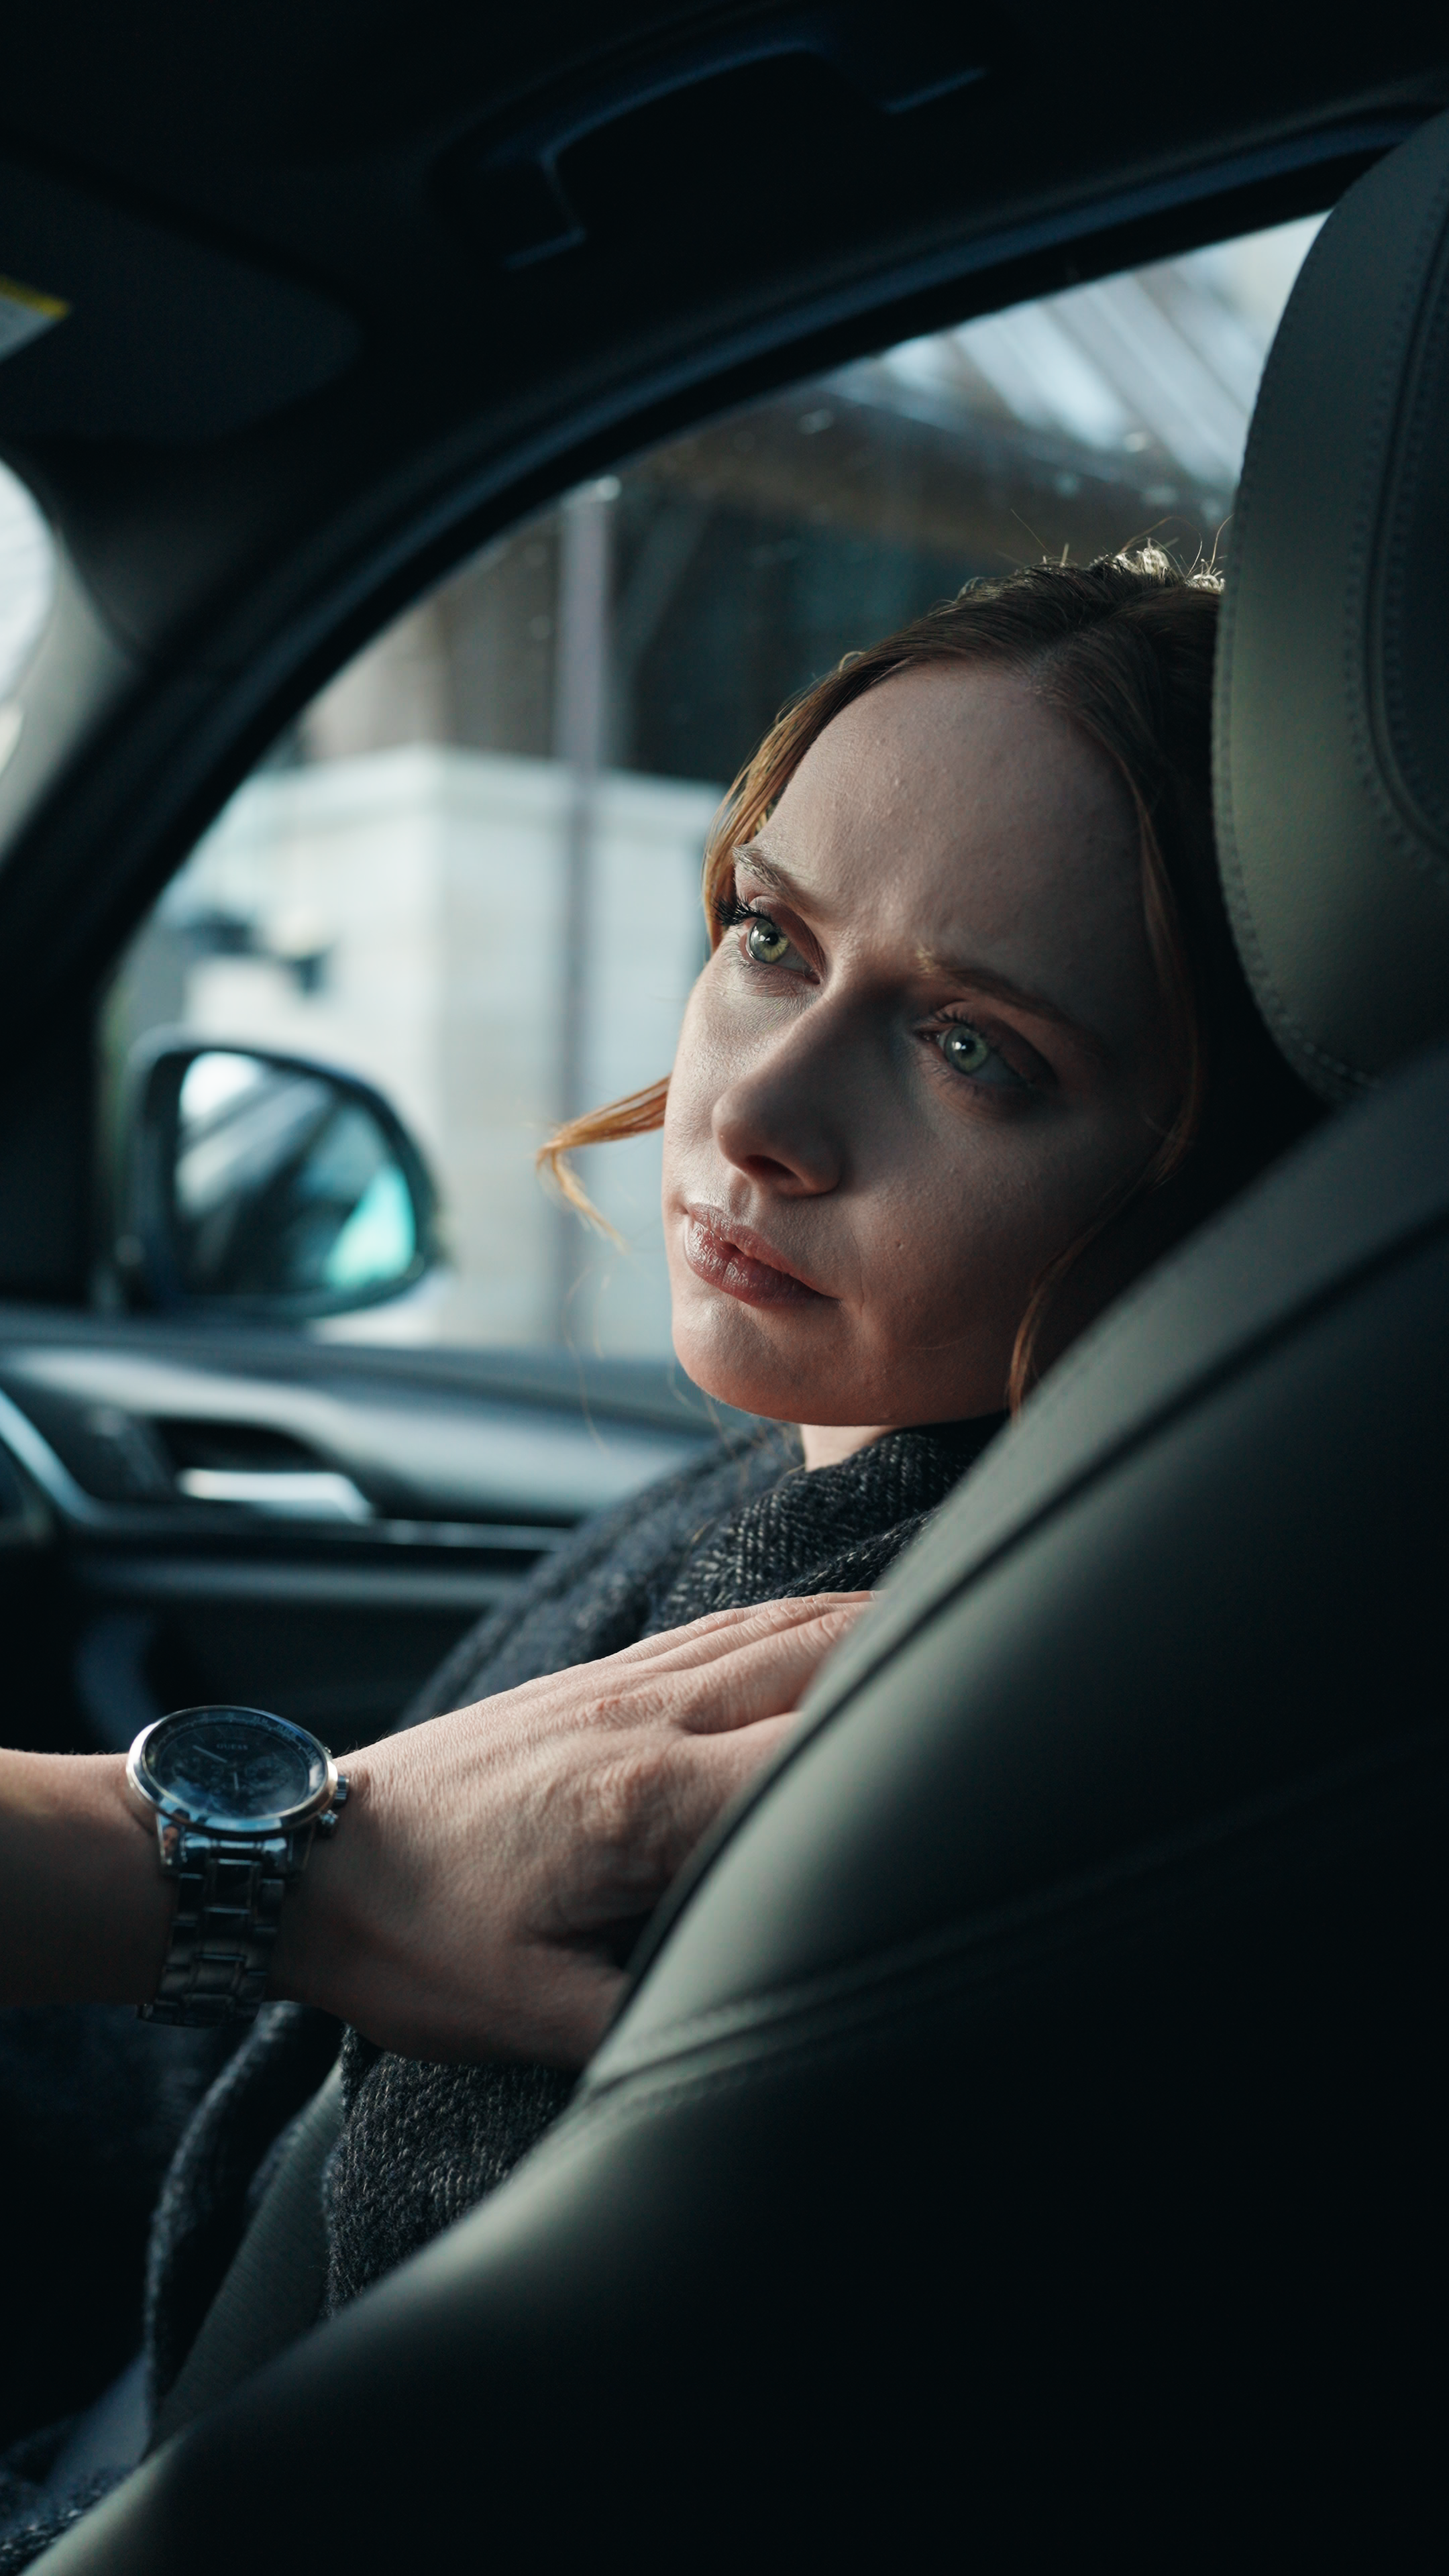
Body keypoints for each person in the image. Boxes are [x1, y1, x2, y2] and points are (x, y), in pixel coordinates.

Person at [0, 551, 1318, 2557]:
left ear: (1209, 1178)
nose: (762, 1106)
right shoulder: (763, 1512)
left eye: (980, 1049)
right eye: (772, 935)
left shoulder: (829, 1688)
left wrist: (209, 1876)